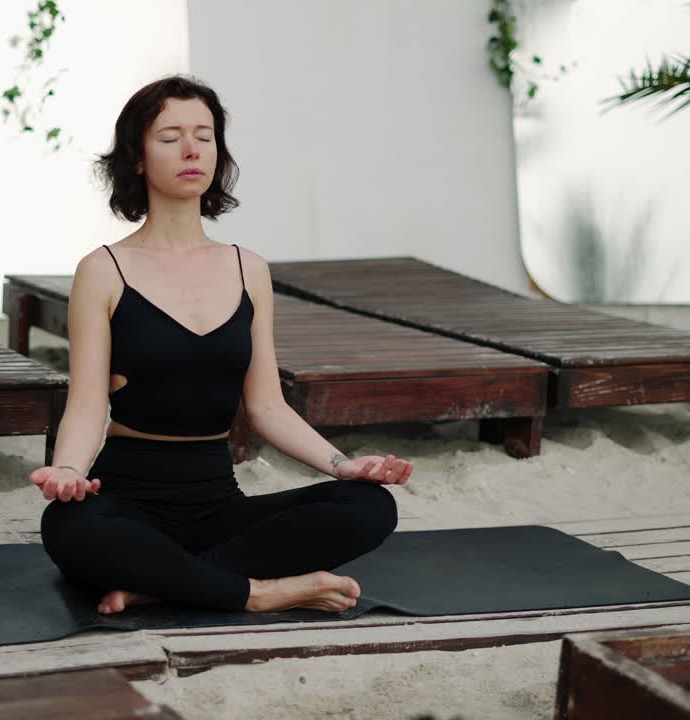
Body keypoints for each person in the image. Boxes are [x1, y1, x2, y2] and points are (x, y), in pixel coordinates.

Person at [31, 75, 413, 616]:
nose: (191, 150)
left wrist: (341, 465)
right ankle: (260, 592)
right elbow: (88, 403)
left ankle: (165, 585)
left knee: (369, 507)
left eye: (204, 136)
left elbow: (266, 407)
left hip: (217, 503)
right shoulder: (102, 270)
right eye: (169, 137)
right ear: (137, 158)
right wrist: (68, 471)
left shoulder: (247, 268)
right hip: (129, 499)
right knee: (69, 527)